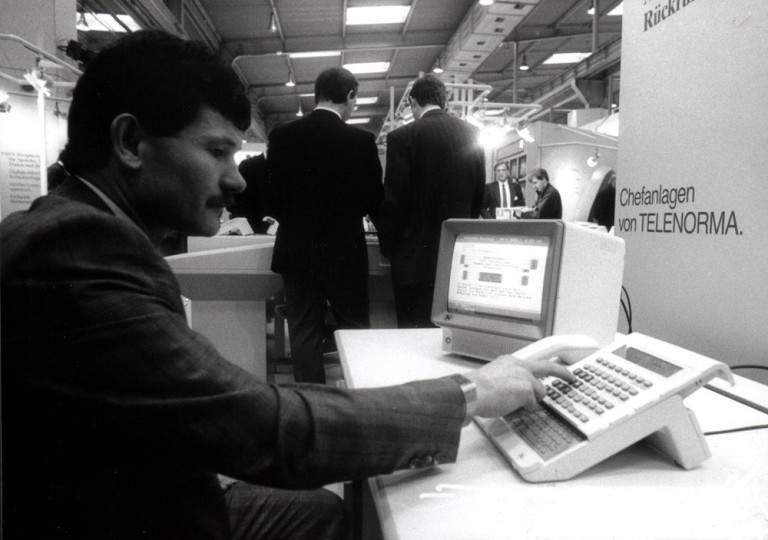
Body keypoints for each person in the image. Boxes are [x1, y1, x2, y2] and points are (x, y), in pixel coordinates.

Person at [0, 30, 574, 540]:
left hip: (135, 487)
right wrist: (468, 396)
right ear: (129, 143)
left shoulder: (74, 228)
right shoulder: (74, 251)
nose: (233, 178)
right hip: (125, 516)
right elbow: (265, 428)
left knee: (324, 507)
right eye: (217, 150)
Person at [264, 67, 383, 384]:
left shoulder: (282, 137)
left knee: (303, 331)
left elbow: (272, 198)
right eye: (354, 101)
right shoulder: (360, 141)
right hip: (345, 251)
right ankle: (357, 402)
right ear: (350, 96)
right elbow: (373, 199)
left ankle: (311, 407)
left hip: (297, 251)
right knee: (354, 330)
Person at [373, 74, 485, 328]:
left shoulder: (402, 137)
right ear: (443, 101)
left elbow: (394, 203)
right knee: (453, 335)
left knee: (414, 337)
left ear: (413, 101)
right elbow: (479, 198)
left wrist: (388, 247)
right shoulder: (473, 134)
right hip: (459, 259)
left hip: (413, 262)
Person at [227, 153, 275, 234]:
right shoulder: (247, 166)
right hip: (250, 229)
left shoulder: (285, 166)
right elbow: (236, 200)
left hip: (274, 230)